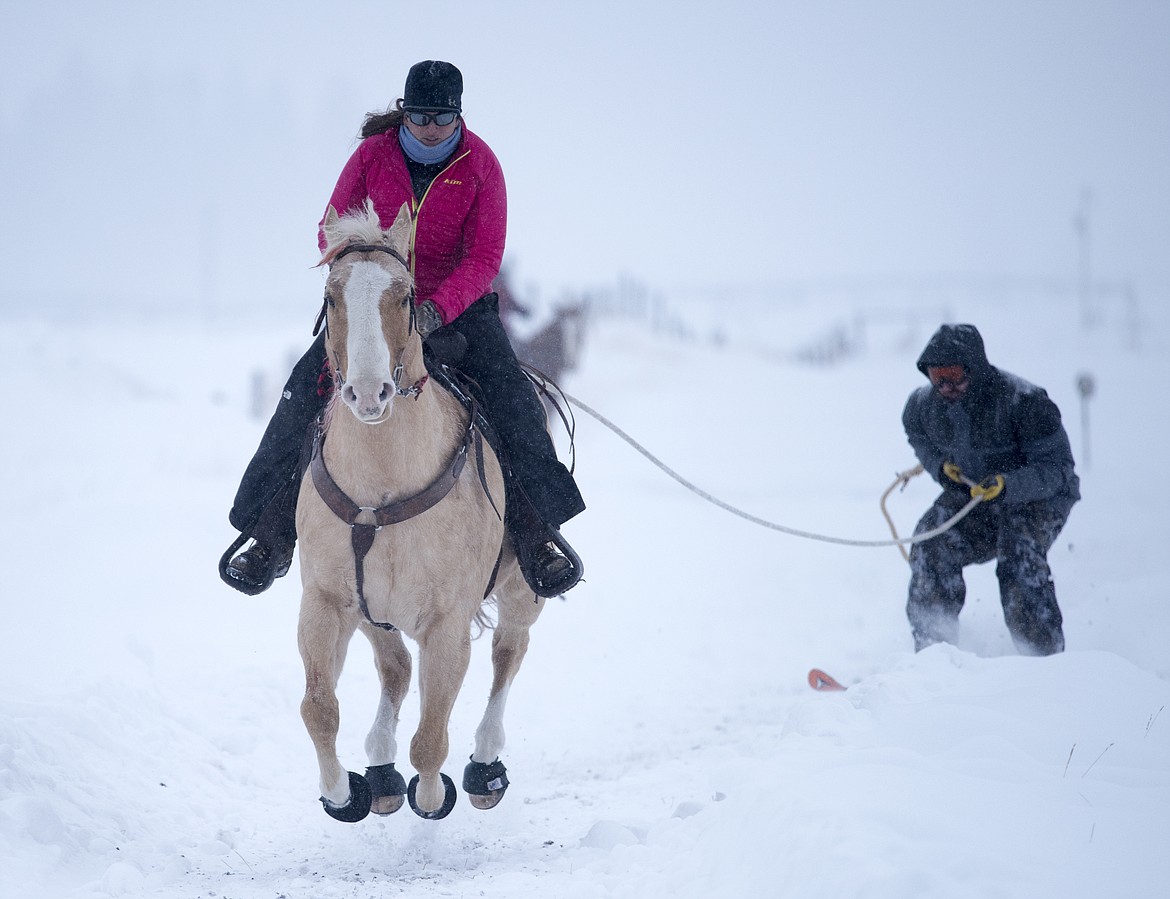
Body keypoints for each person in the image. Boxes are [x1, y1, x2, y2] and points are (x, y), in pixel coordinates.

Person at [222, 60, 585, 597]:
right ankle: (268, 535)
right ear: (404, 113)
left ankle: (537, 535)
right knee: (302, 394)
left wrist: (434, 309)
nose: (431, 127)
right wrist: (366, 277)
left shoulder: (481, 164)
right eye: (419, 116)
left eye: (442, 117)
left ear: (459, 114)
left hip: (457, 313)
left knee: (514, 403)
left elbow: (484, 257)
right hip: (372, 307)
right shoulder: (371, 156)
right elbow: (331, 230)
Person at [901, 323, 1079, 656]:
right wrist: (940, 466)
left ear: (976, 369)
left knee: (1017, 552)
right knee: (930, 541)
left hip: (1039, 498)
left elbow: (1057, 470)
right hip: (975, 496)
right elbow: (918, 436)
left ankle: (1043, 661)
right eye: (938, 378)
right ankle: (932, 655)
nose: (946, 387)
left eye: (955, 377)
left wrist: (1008, 484)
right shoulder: (922, 407)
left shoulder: (1026, 403)